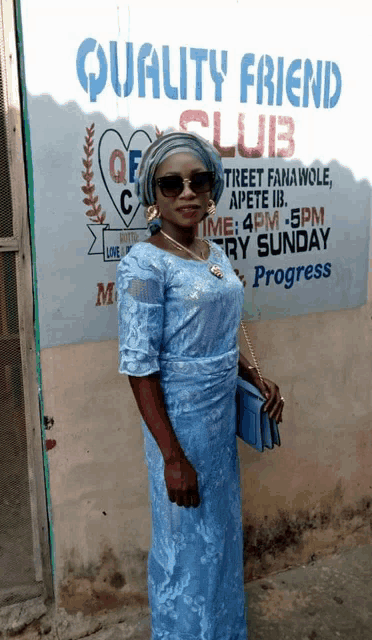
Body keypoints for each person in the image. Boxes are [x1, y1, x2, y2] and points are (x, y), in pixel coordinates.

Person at [116, 131, 284, 640]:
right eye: (172, 184)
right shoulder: (142, 266)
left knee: (219, 539)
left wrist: (250, 376)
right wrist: (172, 457)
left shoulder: (215, 254)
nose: (187, 192)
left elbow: (217, 334)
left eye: (199, 180)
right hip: (180, 427)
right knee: (183, 545)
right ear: (154, 196)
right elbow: (140, 367)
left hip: (218, 424)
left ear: (212, 189)